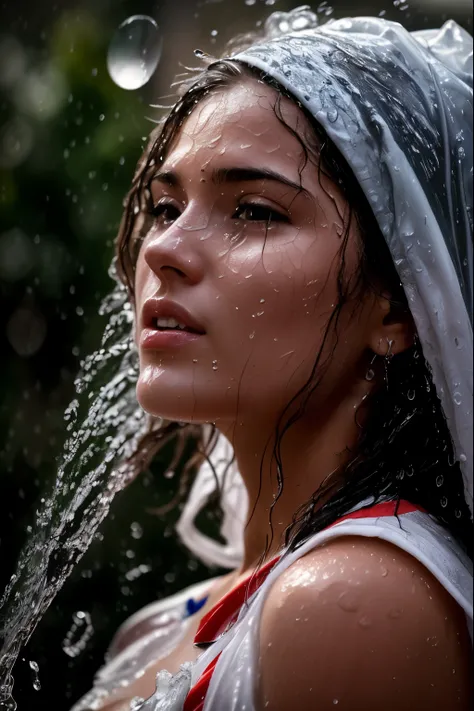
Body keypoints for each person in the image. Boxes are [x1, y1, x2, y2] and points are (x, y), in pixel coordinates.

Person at [72, 7, 473, 711]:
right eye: (165, 207)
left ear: (399, 307)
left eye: (255, 211)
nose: (162, 248)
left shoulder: (353, 603)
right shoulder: (164, 622)